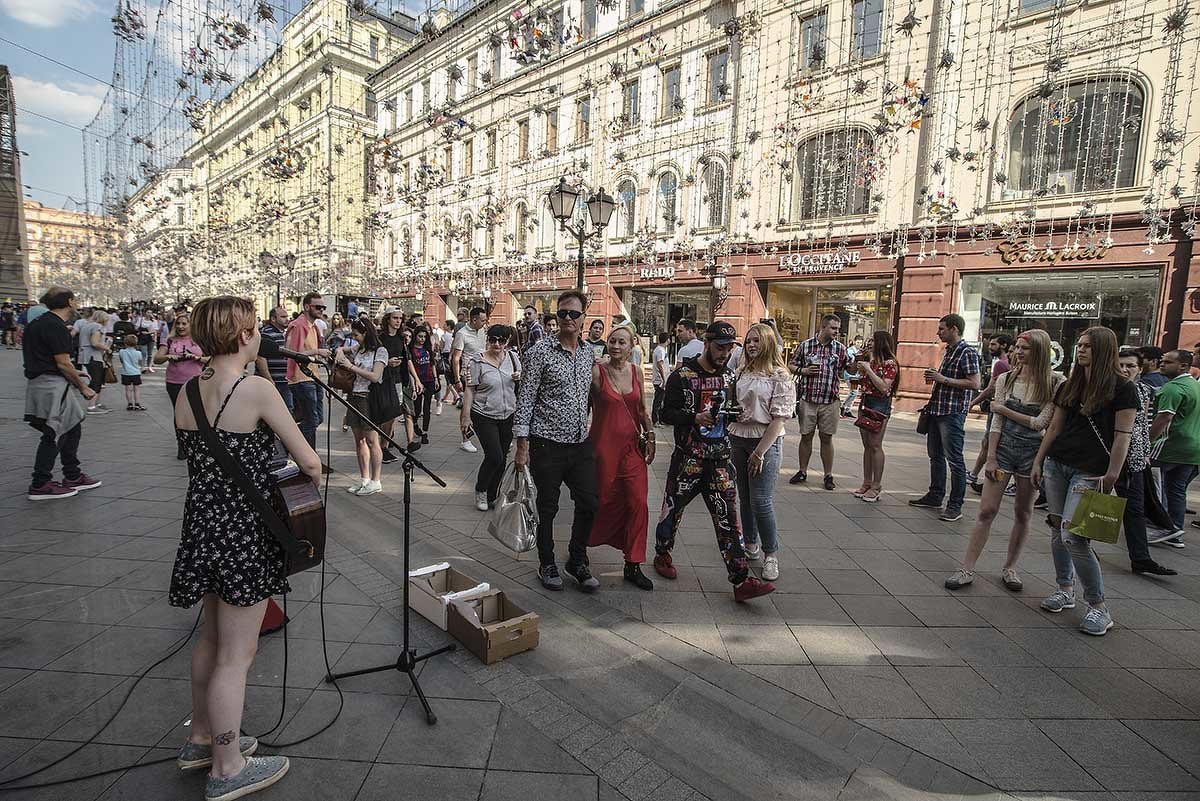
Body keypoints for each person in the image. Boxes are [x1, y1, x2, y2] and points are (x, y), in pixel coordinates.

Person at [171, 295, 319, 801]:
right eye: (256, 327)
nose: (260, 333)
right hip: (243, 532)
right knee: (238, 653)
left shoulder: (188, 390)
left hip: (204, 526)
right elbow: (311, 462)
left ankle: (200, 740)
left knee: (211, 642)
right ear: (242, 336)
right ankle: (228, 766)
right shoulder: (255, 388)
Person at [654, 321, 775, 602]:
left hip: (720, 459)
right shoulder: (680, 376)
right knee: (672, 511)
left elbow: (729, 411)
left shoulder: (730, 377)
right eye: (720, 348)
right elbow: (665, 413)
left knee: (729, 520)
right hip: (688, 459)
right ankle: (662, 553)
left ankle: (741, 579)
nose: (724, 354)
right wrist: (694, 418)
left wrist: (735, 415)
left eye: (729, 348)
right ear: (706, 343)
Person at [1031, 326, 1135, 636]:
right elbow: (1053, 429)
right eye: (1079, 344)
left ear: (1104, 349)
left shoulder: (1122, 388)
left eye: (1088, 345)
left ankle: (1098, 607)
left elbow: (1122, 436)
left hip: (1091, 470)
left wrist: (1113, 473)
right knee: (1056, 528)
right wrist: (1039, 460)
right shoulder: (1070, 385)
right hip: (1058, 464)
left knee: (1074, 537)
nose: (1081, 349)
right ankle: (1065, 589)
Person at [945, 330, 1062, 591]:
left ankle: (1010, 568)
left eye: (1026, 348)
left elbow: (1040, 423)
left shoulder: (1056, 382)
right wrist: (992, 457)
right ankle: (966, 568)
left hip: (1033, 453)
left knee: (1023, 511)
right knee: (987, 510)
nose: (1019, 352)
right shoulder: (1005, 379)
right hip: (1004, 451)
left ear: (1041, 351)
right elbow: (996, 423)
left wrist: (1004, 409)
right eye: (1018, 347)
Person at [514, 290, 600, 592]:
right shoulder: (539, 352)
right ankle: (546, 561)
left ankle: (577, 560)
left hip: (580, 443)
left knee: (590, 502)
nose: (567, 318)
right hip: (546, 443)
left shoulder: (589, 352)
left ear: (583, 318)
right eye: (562, 313)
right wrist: (521, 446)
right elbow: (525, 400)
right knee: (547, 507)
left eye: (573, 314)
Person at [589, 322, 656, 590]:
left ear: (632, 347)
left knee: (638, 502)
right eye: (612, 341)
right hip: (602, 448)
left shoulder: (636, 371)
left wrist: (650, 436)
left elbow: (641, 410)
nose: (615, 346)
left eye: (621, 342)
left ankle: (633, 563)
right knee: (601, 501)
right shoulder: (596, 371)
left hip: (632, 449)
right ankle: (580, 546)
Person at [729, 322, 795, 582]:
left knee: (761, 500)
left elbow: (780, 419)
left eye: (756, 341)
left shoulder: (779, 375)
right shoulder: (742, 370)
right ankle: (751, 544)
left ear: (768, 343)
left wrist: (759, 453)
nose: (751, 345)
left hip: (765, 440)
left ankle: (771, 554)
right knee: (743, 497)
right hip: (738, 437)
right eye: (748, 341)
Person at [22, 287, 102, 500]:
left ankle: (72, 475)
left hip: (44, 382)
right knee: (55, 432)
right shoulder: (55, 326)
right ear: (69, 301)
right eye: (75, 300)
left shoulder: (37, 324)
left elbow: (47, 358)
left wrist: (72, 371)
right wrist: (83, 387)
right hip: (51, 386)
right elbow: (63, 363)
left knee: (72, 427)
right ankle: (40, 483)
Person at [909, 314, 981, 522]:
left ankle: (955, 505)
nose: (938, 332)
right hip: (938, 411)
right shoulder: (949, 351)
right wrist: (937, 379)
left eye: (942, 329)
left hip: (952, 413)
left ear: (954, 329)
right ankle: (935, 494)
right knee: (936, 456)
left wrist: (943, 379)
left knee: (955, 460)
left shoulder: (966, 352)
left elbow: (974, 383)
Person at [1116, 349, 1177, 575]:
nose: (1124, 370)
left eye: (1130, 366)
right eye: (1120, 365)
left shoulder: (1143, 390)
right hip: (1104, 458)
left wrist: (1144, 453)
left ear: (1140, 369)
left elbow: (1142, 426)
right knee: (1092, 504)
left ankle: (1140, 558)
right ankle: (1080, 547)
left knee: (1134, 509)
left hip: (1134, 460)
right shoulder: (1106, 389)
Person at [787, 314, 851, 490]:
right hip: (808, 399)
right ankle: (802, 471)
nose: (837, 332)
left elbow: (849, 368)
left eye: (838, 329)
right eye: (833, 328)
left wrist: (859, 361)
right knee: (806, 436)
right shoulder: (806, 345)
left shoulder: (840, 348)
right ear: (823, 327)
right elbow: (791, 365)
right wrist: (804, 370)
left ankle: (828, 475)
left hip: (830, 400)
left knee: (826, 438)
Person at [462, 325, 520, 511]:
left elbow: (521, 383)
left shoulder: (513, 358)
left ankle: (492, 494)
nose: (497, 344)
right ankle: (481, 489)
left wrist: (520, 377)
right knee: (494, 455)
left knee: (502, 458)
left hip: (508, 413)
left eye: (501, 340)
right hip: (483, 414)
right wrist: (465, 415)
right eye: (493, 339)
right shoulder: (477, 361)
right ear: (488, 339)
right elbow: (470, 389)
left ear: (507, 341)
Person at [1148, 349, 1200, 548]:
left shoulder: (1173, 388)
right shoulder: (1195, 386)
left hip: (1169, 446)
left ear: (1183, 366)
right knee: (1176, 490)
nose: (1162, 364)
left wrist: (1148, 441)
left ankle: (1163, 525)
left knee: (1153, 487)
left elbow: (1164, 417)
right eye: (1162, 361)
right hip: (1192, 449)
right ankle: (1175, 530)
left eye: (1168, 362)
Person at [336, 318, 389, 496]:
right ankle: (364, 477)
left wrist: (351, 367)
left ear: (366, 333)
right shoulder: (359, 348)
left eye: (357, 335)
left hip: (368, 398)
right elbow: (342, 349)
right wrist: (338, 351)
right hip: (354, 396)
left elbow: (375, 376)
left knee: (372, 440)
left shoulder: (380, 351)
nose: (355, 338)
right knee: (359, 440)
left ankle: (376, 479)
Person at [852, 330, 900, 503]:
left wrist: (868, 370)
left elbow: (884, 387)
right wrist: (860, 361)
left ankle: (876, 485)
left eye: (872, 340)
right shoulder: (870, 361)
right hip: (865, 401)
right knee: (867, 445)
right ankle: (867, 482)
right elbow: (853, 372)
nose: (869, 342)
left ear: (881, 343)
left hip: (879, 404)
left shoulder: (890, 363)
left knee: (875, 445)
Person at [284, 293, 332, 450]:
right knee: (311, 419)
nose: (321, 310)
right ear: (306, 307)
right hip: (300, 378)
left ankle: (291, 439)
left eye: (323, 307)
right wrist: (317, 351)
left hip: (313, 376)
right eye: (318, 307)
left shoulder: (315, 327)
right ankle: (308, 455)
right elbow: (293, 353)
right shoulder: (298, 325)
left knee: (317, 418)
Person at [967, 334, 1015, 491]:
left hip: (997, 409)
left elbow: (991, 388)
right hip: (1004, 409)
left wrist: (973, 402)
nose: (990, 346)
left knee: (988, 443)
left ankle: (975, 475)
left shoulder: (1001, 364)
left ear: (1003, 346)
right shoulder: (1008, 364)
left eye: (994, 344)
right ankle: (975, 474)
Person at [155, 312, 206, 458]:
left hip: (195, 381)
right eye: (178, 323)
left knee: (197, 412)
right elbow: (157, 359)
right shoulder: (169, 340)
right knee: (179, 413)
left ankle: (197, 443)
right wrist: (168, 356)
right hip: (174, 381)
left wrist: (197, 358)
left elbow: (212, 358)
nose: (181, 326)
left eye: (184, 323)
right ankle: (182, 445)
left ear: (191, 325)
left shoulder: (199, 340)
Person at [378, 308, 421, 459]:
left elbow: (408, 359)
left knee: (393, 415)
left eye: (400, 318)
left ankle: (383, 446)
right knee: (383, 414)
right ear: (388, 319)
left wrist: (416, 379)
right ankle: (380, 446)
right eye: (395, 318)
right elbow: (374, 357)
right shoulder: (380, 338)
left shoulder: (401, 338)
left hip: (397, 379)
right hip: (382, 379)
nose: (398, 321)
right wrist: (386, 362)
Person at [452, 307, 488, 453]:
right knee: (467, 406)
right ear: (474, 320)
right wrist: (457, 380)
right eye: (483, 320)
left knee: (482, 405)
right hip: (467, 374)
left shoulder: (483, 331)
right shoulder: (462, 334)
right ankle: (465, 439)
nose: (485, 322)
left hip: (483, 372)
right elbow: (455, 358)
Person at [256, 306, 291, 410]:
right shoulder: (266, 333)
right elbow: (260, 357)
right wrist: (269, 379)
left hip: (284, 381)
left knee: (288, 409)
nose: (287, 319)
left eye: (287, 316)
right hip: (273, 381)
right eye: (283, 317)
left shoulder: (284, 333)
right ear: (273, 319)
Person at [78, 309, 112, 414]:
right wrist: (107, 348)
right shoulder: (97, 327)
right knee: (96, 380)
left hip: (85, 355)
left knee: (97, 379)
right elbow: (94, 342)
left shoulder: (86, 326)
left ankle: (97, 403)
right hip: (93, 356)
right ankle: (92, 406)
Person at [410, 327, 438, 443]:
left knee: (427, 407)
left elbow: (432, 364)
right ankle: (415, 424)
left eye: (424, 337)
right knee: (417, 407)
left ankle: (425, 432)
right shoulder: (411, 349)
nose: (422, 339)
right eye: (420, 336)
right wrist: (414, 382)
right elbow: (409, 368)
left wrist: (436, 379)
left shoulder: (427, 349)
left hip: (429, 379)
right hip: (418, 381)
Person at [117, 334, 146, 411]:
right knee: (136, 389)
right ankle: (137, 404)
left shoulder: (122, 352)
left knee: (127, 389)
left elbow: (121, 360)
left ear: (125, 343)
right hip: (136, 372)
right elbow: (140, 362)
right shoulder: (138, 353)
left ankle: (130, 404)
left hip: (126, 373)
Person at [839, 335, 864, 418]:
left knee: (853, 392)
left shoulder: (861, 351)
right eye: (857, 342)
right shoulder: (849, 350)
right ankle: (844, 406)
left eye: (860, 343)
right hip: (849, 374)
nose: (859, 344)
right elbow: (847, 361)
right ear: (854, 342)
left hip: (855, 375)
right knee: (854, 392)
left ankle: (847, 409)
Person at [651, 332, 670, 425]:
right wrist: (664, 379)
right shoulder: (660, 351)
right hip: (660, 380)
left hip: (661, 379)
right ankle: (656, 420)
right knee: (658, 400)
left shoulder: (661, 350)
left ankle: (661, 419)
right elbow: (660, 364)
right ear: (667, 340)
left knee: (661, 400)